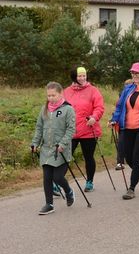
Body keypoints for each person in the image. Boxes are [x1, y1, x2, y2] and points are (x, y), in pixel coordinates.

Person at [109, 62, 139, 200]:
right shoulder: (127, 89)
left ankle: (131, 188)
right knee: (127, 157)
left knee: (136, 158)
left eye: (137, 73)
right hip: (126, 128)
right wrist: (114, 119)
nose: (134, 75)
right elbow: (119, 107)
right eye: (133, 73)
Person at [31, 82, 76, 215]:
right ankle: (49, 204)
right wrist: (35, 143)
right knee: (47, 177)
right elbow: (39, 127)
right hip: (46, 149)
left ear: (60, 93)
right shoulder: (44, 108)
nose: (50, 98)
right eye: (48, 95)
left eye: (53, 95)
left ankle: (69, 191)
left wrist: (62, 144)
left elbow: (71, 129)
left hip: (61, 150)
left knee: (57, 177)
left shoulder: (68, 109)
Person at [64, 67, 105, 192]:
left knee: (88, 157)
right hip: (71, 131)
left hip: (88, 129)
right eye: (79, 76)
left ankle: (89, 181)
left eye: (84, 75)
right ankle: (58, 180)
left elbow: (99, 107)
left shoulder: (93, 90)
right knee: (65, 156)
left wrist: (94, 117)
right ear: (74, 77)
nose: (82, 78)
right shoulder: (66, 91)